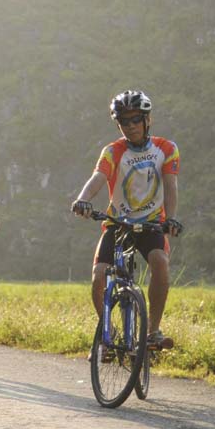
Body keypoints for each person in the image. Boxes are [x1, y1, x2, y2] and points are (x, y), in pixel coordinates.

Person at [70, 90, 183, 348]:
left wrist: (172, 218)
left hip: (152, 223)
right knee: (99, 276)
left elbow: (171, 185)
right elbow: (98, 177)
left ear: (147, 120)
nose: (130, 126)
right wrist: (82, 199)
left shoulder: (166, 149)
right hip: (118, 223)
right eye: (124, 121)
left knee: (160, 263)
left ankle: (152, 332)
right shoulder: (112, 151)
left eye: (135, 119)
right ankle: (107, 334)